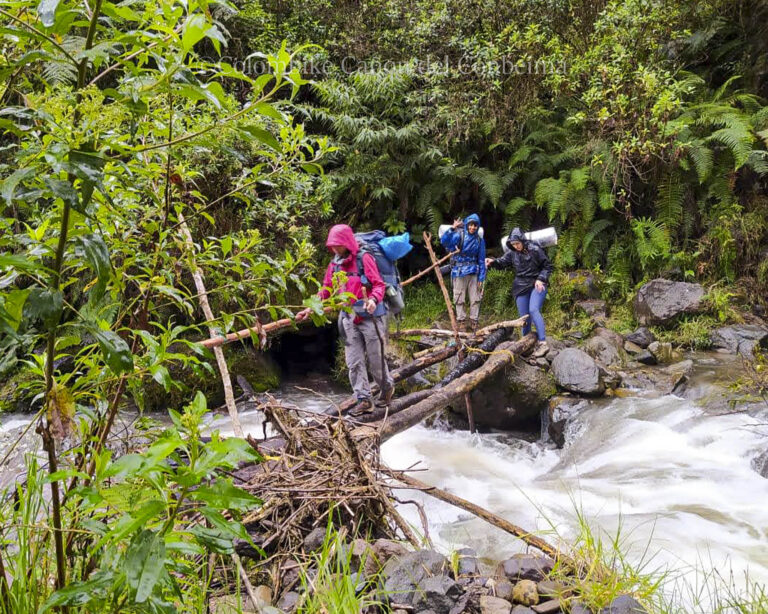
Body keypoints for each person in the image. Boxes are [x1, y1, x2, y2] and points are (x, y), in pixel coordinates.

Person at [296, 224, 394, 412]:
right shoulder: (335, 264)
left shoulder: (364, 258)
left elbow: (379, 285)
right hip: (349, 319)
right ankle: (364, 400)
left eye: (337, 244)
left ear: (347, 243)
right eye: (332, 245)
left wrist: (373, 300)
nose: (334, 248)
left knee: (376, 362)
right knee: (354, 362)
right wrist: (310, 308)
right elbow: (326, 290)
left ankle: (387, 388)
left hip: (371, 318)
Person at [485, 227, 553, 357]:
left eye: (517, 243)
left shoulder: (535, 250)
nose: (515, 246)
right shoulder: (512, 253)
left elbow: (548, 266)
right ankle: (525, 345)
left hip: (537, 284)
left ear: (522, 240)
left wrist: (541, 279)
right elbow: (502, 262)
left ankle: (543, 343)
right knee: (524, 317)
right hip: (520, 286)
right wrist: (492, 262)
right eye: (513, 244)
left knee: (533, 310)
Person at [439, 213, 486, 332]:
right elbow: (444, 242)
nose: (472, 227)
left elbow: (481, 260)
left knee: (475, 298)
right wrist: (452, 228)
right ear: (467, 225)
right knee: (459, 298)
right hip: (459, 271)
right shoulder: (459, 236)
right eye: (470, 225)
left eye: (475, 225)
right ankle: (461, 322)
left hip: (474, 272)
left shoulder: (479, 240)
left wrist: (481, 278)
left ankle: (474, 321)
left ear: (478, 226)